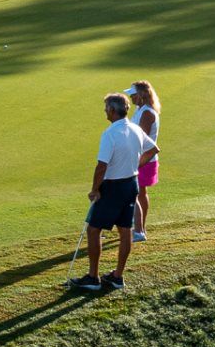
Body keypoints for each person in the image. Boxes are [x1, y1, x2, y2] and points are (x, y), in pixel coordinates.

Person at [70, 93, 157, 291]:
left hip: (113, 187)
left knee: (94, 230)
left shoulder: (110, 134)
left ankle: (93, 278)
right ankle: (117, 276)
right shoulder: (135, 128)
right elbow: (153, 149)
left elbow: (101, 166)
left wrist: (94, 190)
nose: (105, 111)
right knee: (125, 230)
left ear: (112, 110)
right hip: (131, 184)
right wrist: (136, 164)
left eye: (106, 108)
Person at [126, 81, 163, 242]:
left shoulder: (147, 113)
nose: (131, 97)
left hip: (144, 159)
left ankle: (140, 229)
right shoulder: (140, 110)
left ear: (141, 95)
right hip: (140, 158)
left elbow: (142, 139)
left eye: (133, 94)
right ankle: (137, 226)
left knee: (138, 193)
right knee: (139, 192)